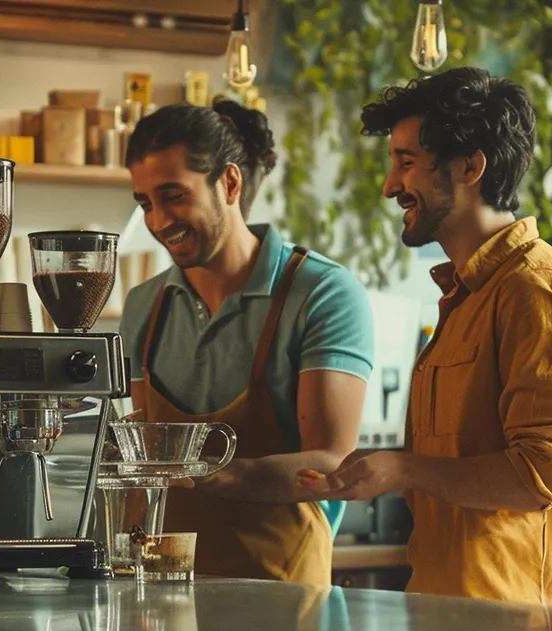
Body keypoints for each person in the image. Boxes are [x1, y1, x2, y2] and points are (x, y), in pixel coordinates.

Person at [302, 67, 552, 612]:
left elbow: (545, 471)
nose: (390, 186)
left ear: (471, 166)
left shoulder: (536, 286)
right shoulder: (466, 295)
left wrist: (403, 468)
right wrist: (384, 468)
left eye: (406, 163)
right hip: (452, 623)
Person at [120, 100, 374, 587]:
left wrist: (211, 473)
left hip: (282, 601)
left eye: (173, 196)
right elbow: (146, 450)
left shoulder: (320, 293)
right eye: (145, 203)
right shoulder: (143, 306)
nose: (157, 221)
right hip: (159, 597)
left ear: (229, 183)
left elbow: (332, 461)